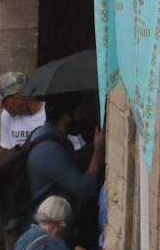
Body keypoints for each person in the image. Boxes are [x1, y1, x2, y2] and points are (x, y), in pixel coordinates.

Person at [23, 93, 105, 234]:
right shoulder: (50, 149)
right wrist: (97, 152)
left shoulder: (41, 134)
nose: (83, 118)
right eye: (79, 113)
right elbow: (84, 189)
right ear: (66, 117)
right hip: (49, 231)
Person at [0, 71, 45, 151]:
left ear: (19, 98)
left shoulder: (48, 113)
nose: (2, 107)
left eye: (4, 102)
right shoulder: (6, 116)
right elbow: (6, 150)